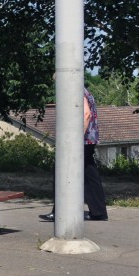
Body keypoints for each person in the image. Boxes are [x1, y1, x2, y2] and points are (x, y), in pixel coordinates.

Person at [40, 86, 108, 222]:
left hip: (82, 140)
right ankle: (98, 212)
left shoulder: (76, 89)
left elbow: (86, 114)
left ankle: (60, 212)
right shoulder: (85, 91)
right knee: (89, 173)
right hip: (90, 139)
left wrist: (77, 138)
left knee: (61, 170)